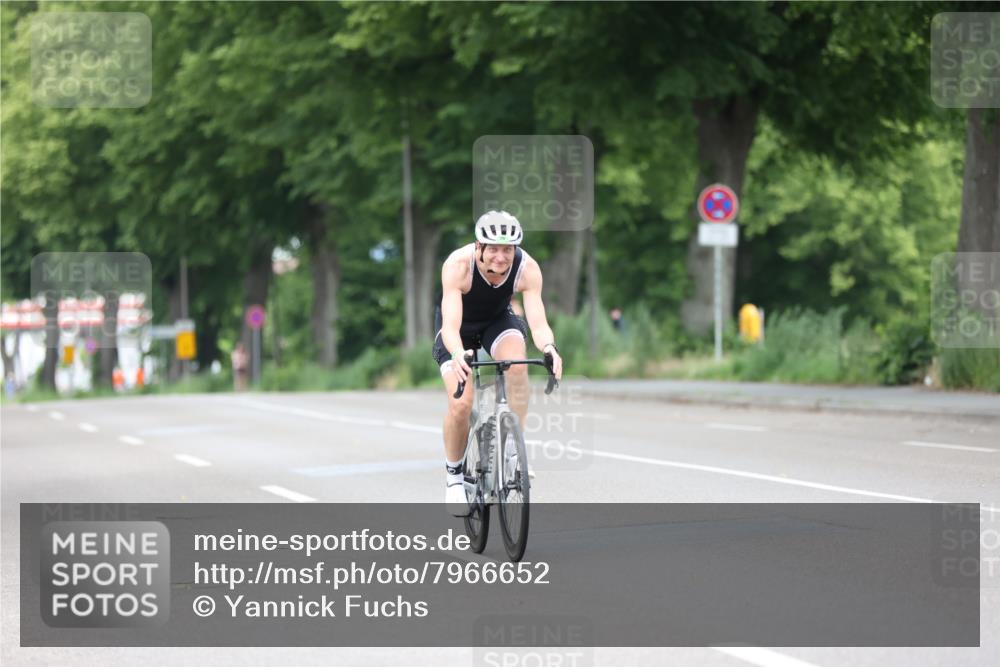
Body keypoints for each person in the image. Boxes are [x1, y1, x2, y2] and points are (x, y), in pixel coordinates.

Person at [433, 210, 563, 516]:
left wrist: (550, 348)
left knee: (517, 364)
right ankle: (453, 477)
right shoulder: (457, 266)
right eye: (493, 248)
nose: (501, 257)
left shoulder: (527, 268)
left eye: (508, 249)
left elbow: (538, 320)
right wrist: (457, 353)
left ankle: (511, 452)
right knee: (461, 404)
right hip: (458, 331)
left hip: (497, 321)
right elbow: (451, 327)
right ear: (478, 246)